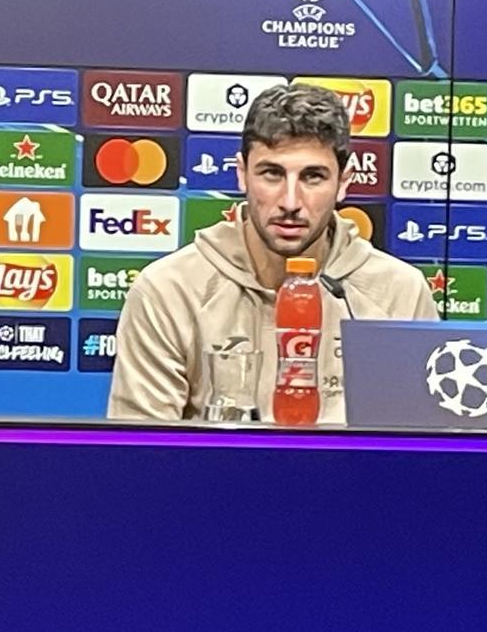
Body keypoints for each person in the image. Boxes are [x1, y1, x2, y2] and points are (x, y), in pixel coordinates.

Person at [107, 83, 439, 423]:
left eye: (313, 177)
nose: (290, 202)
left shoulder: (400, 293)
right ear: (242, 174)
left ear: (344, 181)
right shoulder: (168, 290)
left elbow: (422, 446)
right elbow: (141, 446)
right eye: (272, 174)